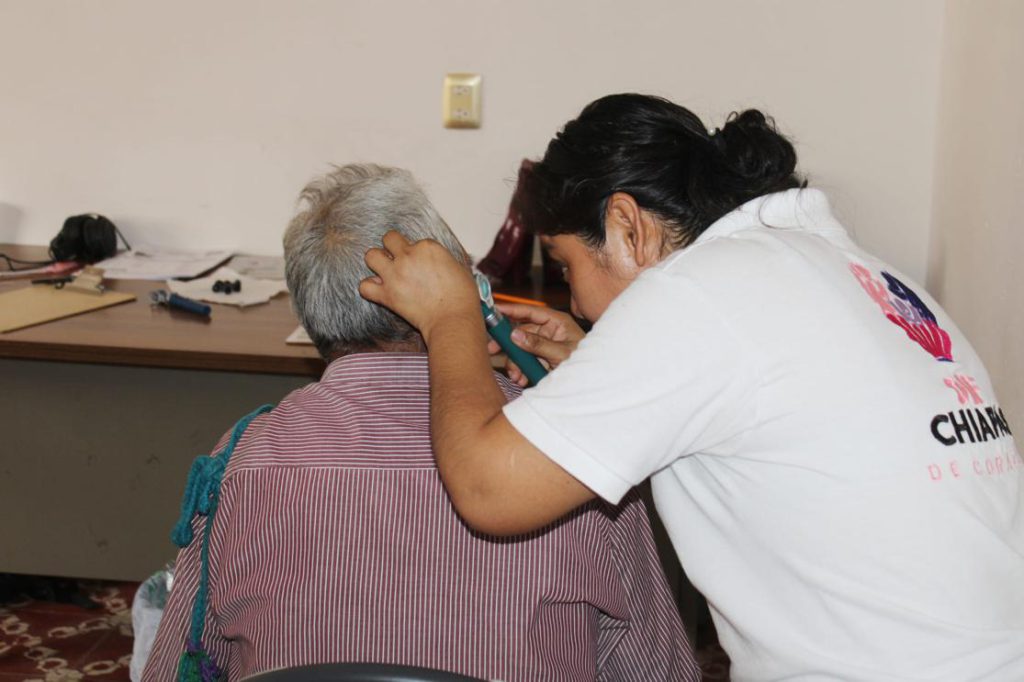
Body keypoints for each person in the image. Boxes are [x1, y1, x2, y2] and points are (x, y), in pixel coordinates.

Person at [359, 95, 1024, 679]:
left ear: (628, 226)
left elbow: (488, 490)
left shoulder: (696, 295)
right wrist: (597, 362)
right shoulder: (842, 269)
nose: (578, 304)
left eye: (565, 267)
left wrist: (449, 320)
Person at [143, 163, 698, 682]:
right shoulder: (567, 454)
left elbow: (176, 665)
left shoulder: (242, 461)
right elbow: (656, 669)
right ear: (464, 292)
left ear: (310, 315)